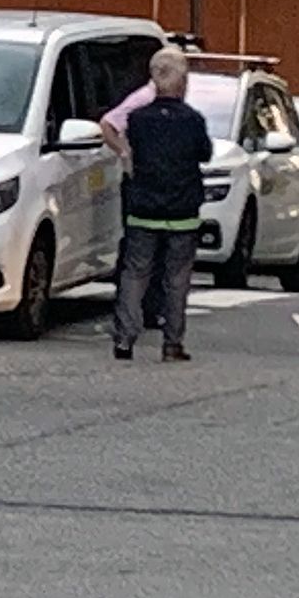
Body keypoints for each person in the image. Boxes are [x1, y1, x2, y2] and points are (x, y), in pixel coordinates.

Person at [112, 47, 211, 362]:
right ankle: (172, 344)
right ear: (182, 81)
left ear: (153, 80)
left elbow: (129, 149)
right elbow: (204, 154)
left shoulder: (137, 120)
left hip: (143, 208)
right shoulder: (193, 121)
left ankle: (125, 339)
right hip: (182, 211)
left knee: (134, 273)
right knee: (177, 278)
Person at [102, 78, 169, 330]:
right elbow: (108, 124)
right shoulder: (143, 99)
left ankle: (149, 307)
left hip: (155, 181)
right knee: (141, 243)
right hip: (140, 182)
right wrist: (125, 153)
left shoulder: (162, 102)